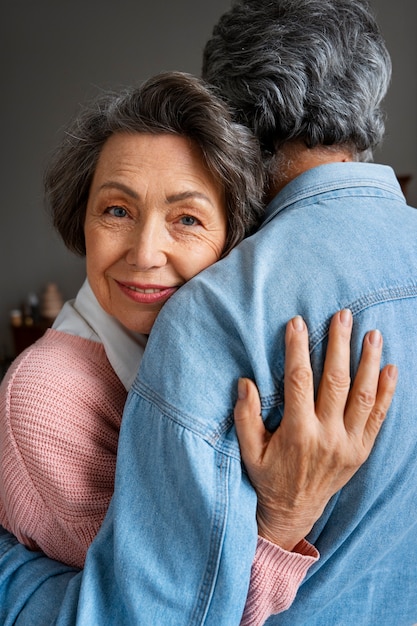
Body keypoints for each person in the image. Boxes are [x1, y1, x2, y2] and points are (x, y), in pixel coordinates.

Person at [0, 0, 405, 618]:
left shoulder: (225, 320)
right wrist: (282, 517)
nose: (145, 252)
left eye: (187, 218)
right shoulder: (47, 394)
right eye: (116, 210)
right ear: (79, 218)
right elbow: (161, 611)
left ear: (232, 231)